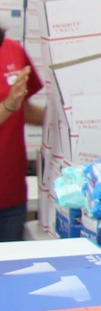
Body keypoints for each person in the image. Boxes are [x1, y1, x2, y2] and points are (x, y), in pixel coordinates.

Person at [1, 31, 44, 242]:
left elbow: (23, 110)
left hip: (11, 193)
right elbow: (12, 105)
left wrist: (64, 118)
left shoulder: (12, 49)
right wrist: (8, 105)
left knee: (11, 271)